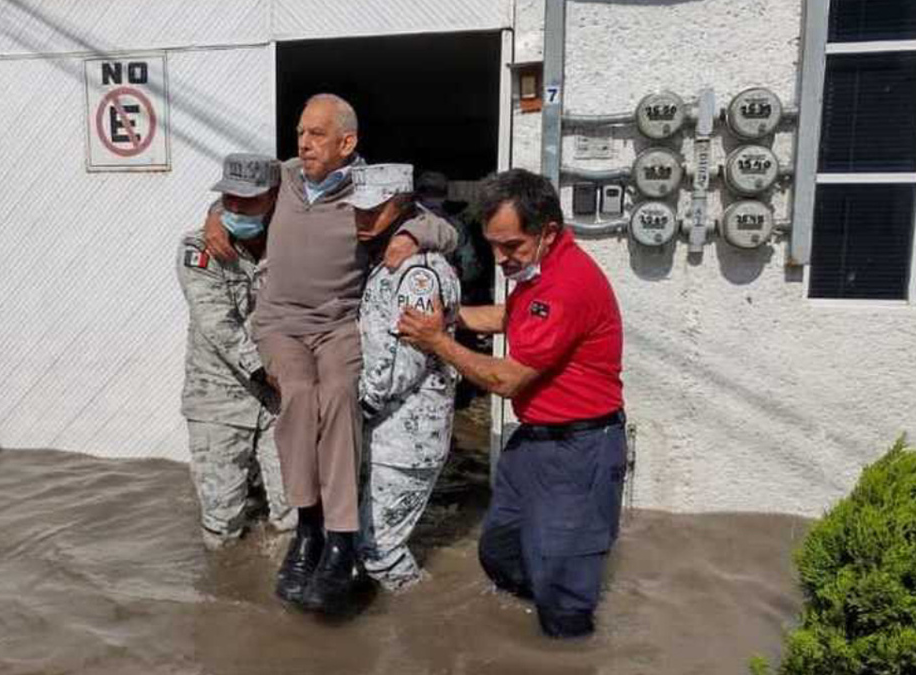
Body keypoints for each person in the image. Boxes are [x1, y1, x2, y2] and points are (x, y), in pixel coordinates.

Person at [201, 94, 456, 614]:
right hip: (281, 326)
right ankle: (308, 530)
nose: (303, 142)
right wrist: (211, 216)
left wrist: (410, 233)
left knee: (339, 396)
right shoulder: (285, 177)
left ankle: (342, 540)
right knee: (298, 395)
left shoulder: (370, 191)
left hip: (338, 325)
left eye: (316, 134)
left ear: (347, 143)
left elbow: (444, 229)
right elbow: (237, 200)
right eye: (300, 131)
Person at [396, 168, 626, 638]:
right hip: (535, 442)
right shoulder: (537, 272)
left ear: (549, 232)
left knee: (563, 586)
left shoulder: (567, 284)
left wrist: (438, 341)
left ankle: (567, 646)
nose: (500, 259)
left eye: (512, 246)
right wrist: (450, 316)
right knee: (500, 552)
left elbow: (504, 380)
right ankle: (524, 634)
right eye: (492, 245)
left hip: (580, 448)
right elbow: (508, 316)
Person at [348, 164, 461, 592]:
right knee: (372, 540)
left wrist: (358, 407)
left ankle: (427, 621)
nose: (360, 219)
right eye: (355, 211)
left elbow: (406, 358)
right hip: (391, 434)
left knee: (381, 551)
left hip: (405, 436)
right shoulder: (387, 260)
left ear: (399, 207)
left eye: (370, 211)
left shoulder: (416, 272)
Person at [177, 153, 293, 550]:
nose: (237, 208)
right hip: (219, 404)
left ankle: (279, 605)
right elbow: (217, 324)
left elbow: (320, 168)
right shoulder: (199, 248)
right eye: (228, 199)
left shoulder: (292, 242)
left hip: (279, 402)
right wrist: (265, 370)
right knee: (222, 524)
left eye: (250, 200)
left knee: (292, 513)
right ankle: (221, 598)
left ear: (275, 197)